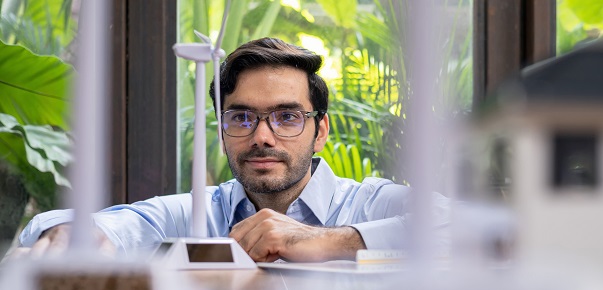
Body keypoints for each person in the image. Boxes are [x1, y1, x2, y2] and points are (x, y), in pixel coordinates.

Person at [18, 37, 448, 262]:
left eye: (287, 116)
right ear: (223, 131)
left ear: (320, 132)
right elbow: (106, 225)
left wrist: (330, 241)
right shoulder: (197, 214)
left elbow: (476, 229)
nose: (262, 135)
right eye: (241, 117)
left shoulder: (370, 203)